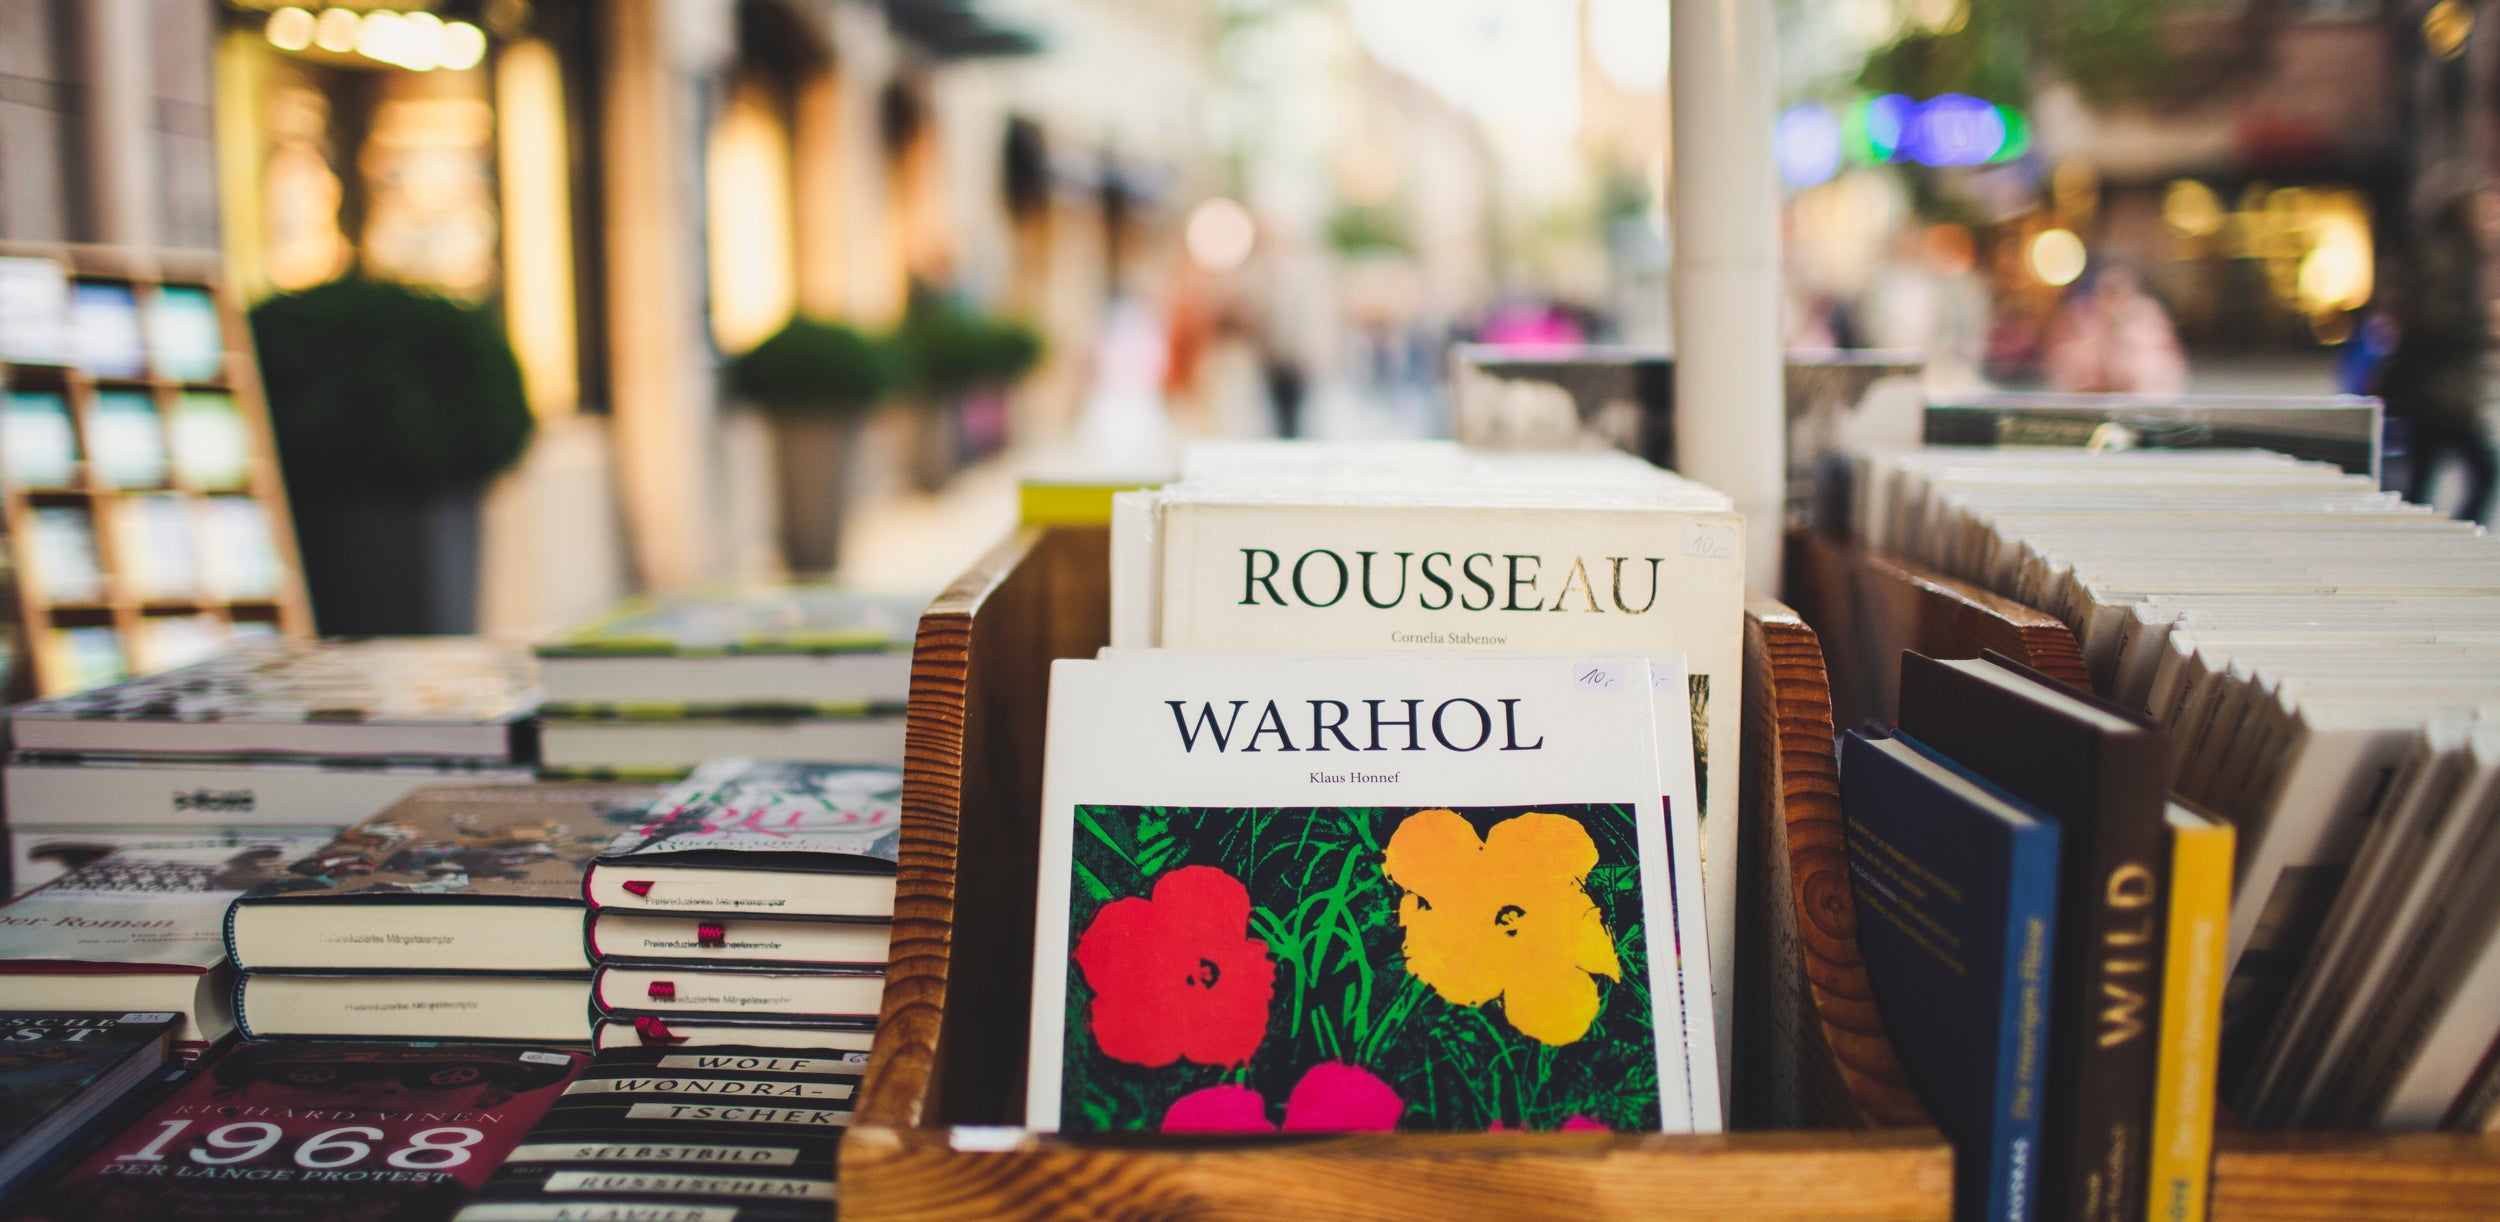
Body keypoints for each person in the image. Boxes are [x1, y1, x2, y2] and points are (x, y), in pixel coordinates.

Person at [2378, 204, 2495, 523]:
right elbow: (2435, 323)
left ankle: (2419, 540)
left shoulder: (2445, 257)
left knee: (2421, 479)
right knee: (2480, 471)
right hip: (2440, 392)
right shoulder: (2448, 261)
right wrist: (2477, 331)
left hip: (2434, 391)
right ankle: (2460, 537)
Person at [2042, 263, 2189, 394]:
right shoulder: (2080, 320)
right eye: (2106, 294)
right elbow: (2066, 377)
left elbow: (2162, 378)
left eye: (2116, 294)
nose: (2112, 303)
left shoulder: (2147, 323)